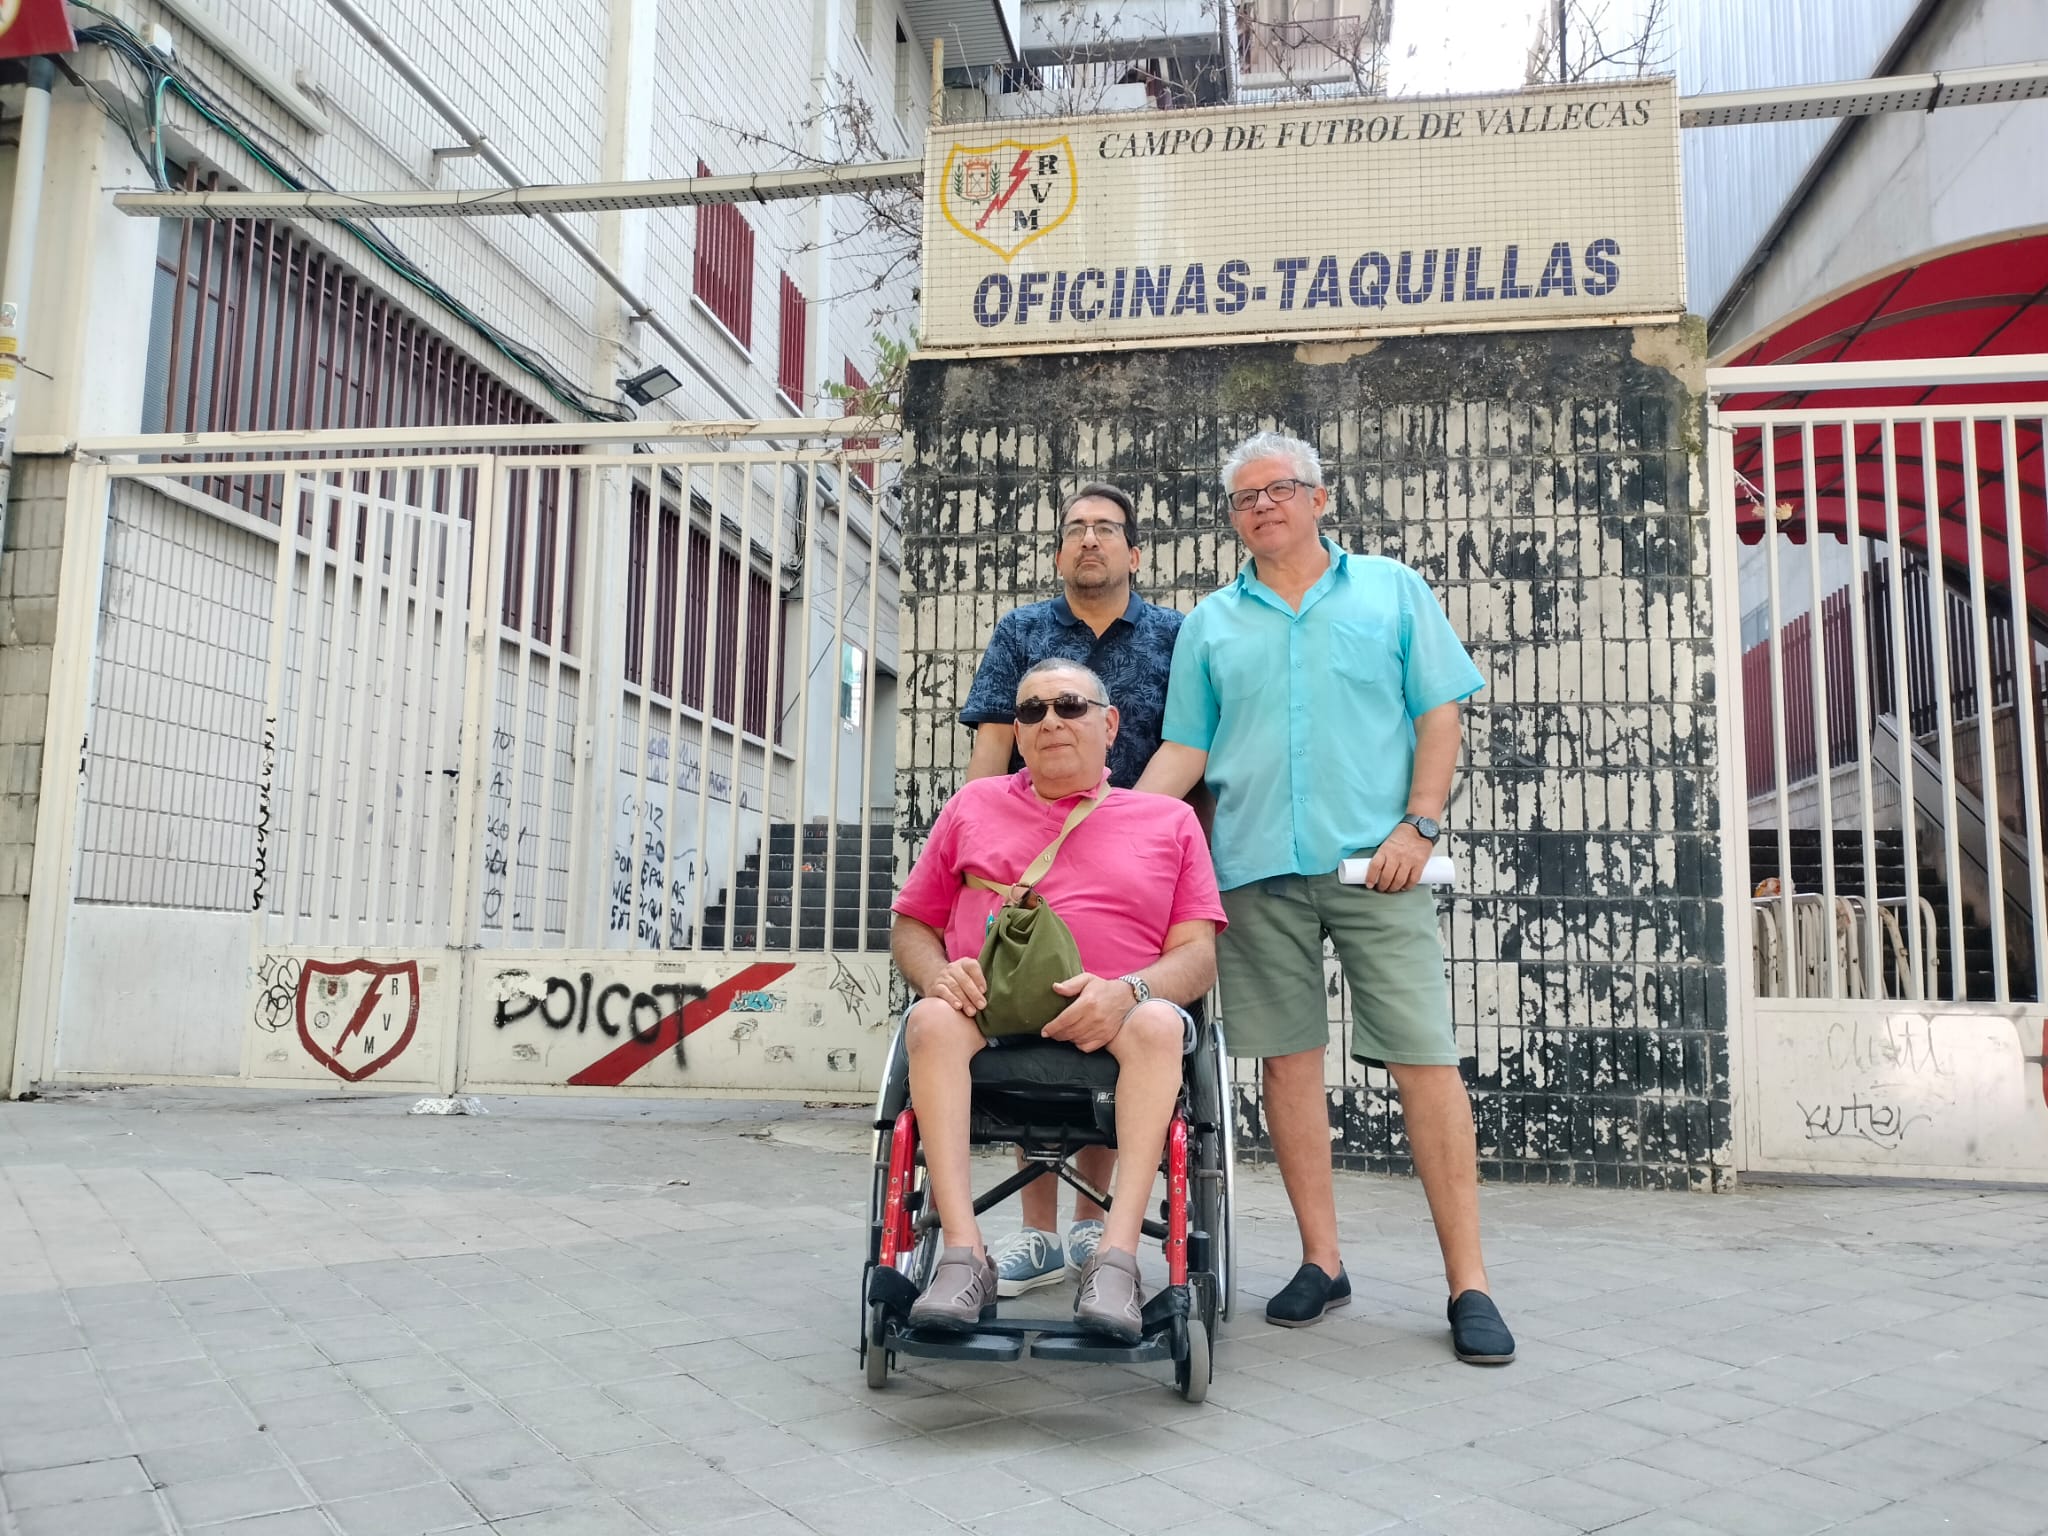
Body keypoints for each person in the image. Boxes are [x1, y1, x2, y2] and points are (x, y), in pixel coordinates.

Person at [1136, 430, 1516, 1365]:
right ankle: (1322, 1261)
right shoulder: (1212, 624)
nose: (1262, 506)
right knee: (1289, 1066)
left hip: (1378, 866)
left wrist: (1419, 825)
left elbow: (1440, 713)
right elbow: (1187, 748)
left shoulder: (1392, 590)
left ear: (1321, 497)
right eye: (1244, 498)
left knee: (1425, 1060)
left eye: (1281, 489)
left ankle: (1469, 1282)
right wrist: (1107, 823)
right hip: (1255, 869)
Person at [890, 659, 1223, 1342]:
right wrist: (937, 974)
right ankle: (963, 1254)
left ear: (1109, 725)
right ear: (1017, 731)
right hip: (991, 1014)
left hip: (1119, 1017)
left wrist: (1130, 990)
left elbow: (1197, 957)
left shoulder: (1168, 821)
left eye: (1070, 706)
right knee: (929, 1021)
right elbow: (912, 925)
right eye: (1033, 711)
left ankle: (1116, 1258)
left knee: (1162, 1024)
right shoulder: (972, 807)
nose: (1050, 721)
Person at [958, 483, 1186, 1296]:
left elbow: (1190, 745)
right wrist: (971, 837)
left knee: (1113, 1005)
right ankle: (1038, 1232)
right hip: (1029, 856)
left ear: (1134, 551)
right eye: (1075, 529)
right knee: (1028, 990)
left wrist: (1128, 829)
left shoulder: (1173, 636)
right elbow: (991, 752)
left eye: (1108, 529)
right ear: (1059, 552)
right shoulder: (1022, 630)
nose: (1090, 540)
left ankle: (1099, 1222)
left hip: (1134, 860)